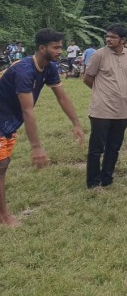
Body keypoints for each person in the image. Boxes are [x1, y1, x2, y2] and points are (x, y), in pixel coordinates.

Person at [0, 29, 84, 227]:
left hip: (8, 123)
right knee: (2, 167)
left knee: (3, 166)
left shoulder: (50, 68)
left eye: (60, 47)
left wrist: (76, 123)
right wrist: (36, 147)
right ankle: (4, 217)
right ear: (41, 48)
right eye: (55, 47)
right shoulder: (24, 71)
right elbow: (28, 111)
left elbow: (62, 96)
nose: (59, 51)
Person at [83, 24, 127, 189]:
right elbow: (88, 78)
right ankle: (92, 181)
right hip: (101, 109)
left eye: (113, 37)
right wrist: (101, 93)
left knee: (114, 147)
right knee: (96, 148)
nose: (109, 39)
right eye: (108, 36)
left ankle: (107, 178)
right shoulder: (100, 54)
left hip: (121, 109)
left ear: (123, 40)